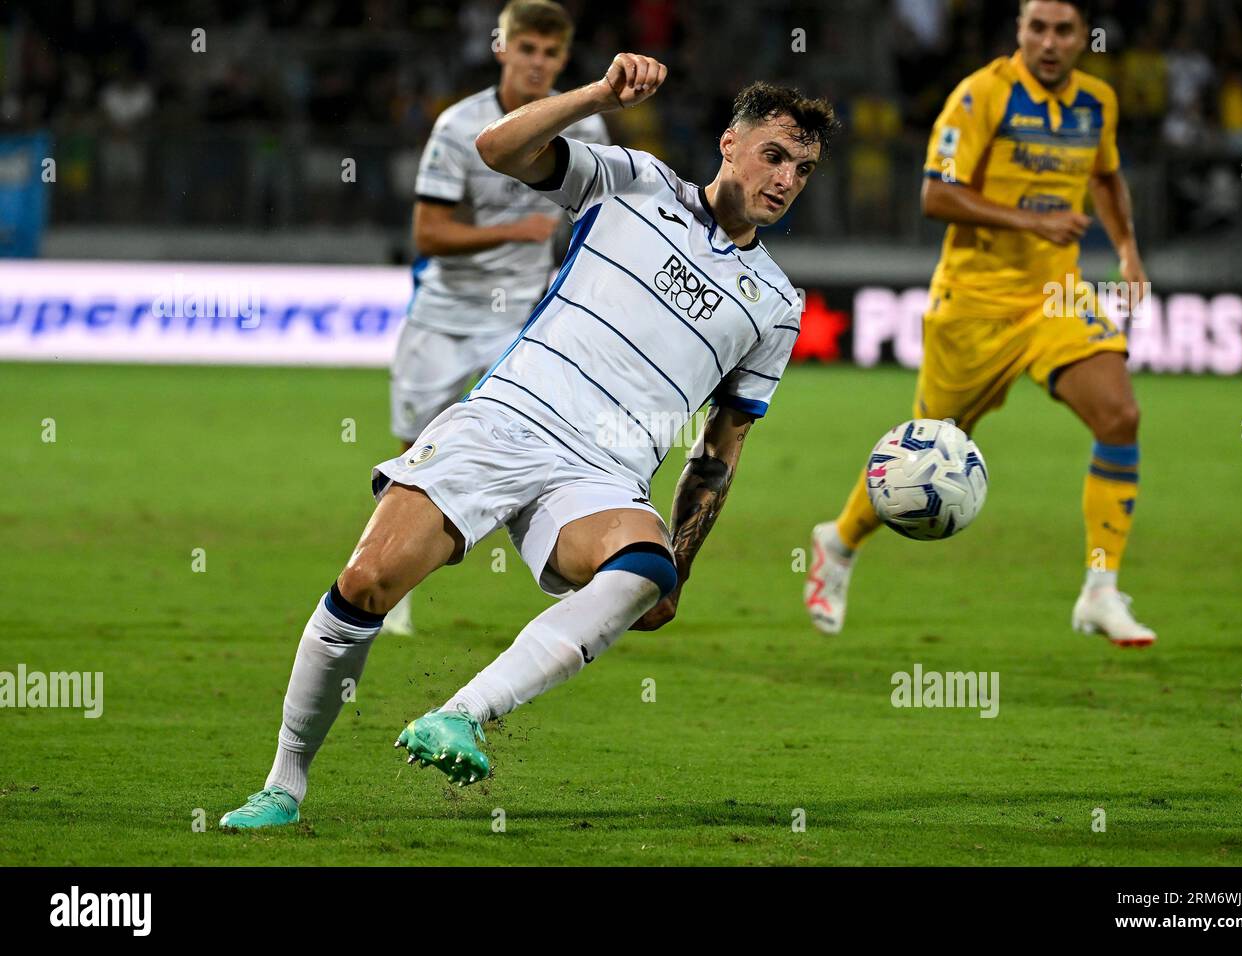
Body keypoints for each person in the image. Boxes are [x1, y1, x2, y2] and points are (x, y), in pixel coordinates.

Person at [219, 53, 837, 828]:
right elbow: (498, 149)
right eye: (774, 155)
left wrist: (681, 561)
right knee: (366, 583)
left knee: (642, 569)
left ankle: (463, 715)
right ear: (729, 144)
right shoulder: (634, 182)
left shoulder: (777, 305)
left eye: (803, 169)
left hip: (602, 474)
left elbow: (720, 450)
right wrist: (598, 96)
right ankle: (284, 783)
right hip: (507, 421)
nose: (785, 179)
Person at [804, 0, 1155, 646]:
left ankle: (1100, 591)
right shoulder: (980, 96)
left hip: (1054, 293)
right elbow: (935, 194)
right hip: (973, 303)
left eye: (1063, 30)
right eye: (1037, 28)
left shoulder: (1097, 103)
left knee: (1120, 416)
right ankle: (840, 539)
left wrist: (1129, 251)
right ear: (1018, 30)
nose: (1049, 42)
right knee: (931, 447)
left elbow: (1106, 176)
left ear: (1085, 38)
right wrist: (1033, 219)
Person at [385, 0, 608, 636]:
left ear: (564, 58)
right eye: (527, 49)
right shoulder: (458, 126)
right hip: (444, 313)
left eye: (551, 53)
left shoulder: (586, 128)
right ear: (500, 48)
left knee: (547, 444)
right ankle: (393, 579)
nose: (538, 63)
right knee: (417, 451)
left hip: (524, 321)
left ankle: (569, 572)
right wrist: (518, 230)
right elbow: (428, 233)